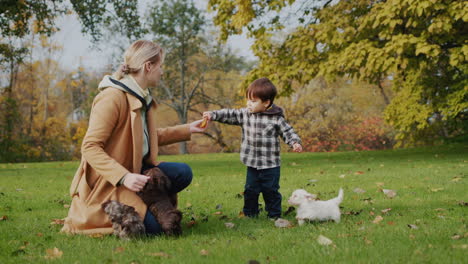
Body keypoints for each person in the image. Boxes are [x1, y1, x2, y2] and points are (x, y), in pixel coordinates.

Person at [61, 40, 207, 235]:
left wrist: (187, 129)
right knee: (154, 230)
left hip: (137, 170)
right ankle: (119, 210)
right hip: (109, 182)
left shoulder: (140, 96)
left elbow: (144, 138)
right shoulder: (112, 98)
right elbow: (90, 147)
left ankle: (154, 204)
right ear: (149, 66)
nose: (162, 71)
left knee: (182, 172)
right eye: (160, 66)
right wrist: (124, 177)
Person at [203, 77, 302, 219]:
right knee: (250, 190)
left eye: (253, 101)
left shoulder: (276, 119)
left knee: (271, 190)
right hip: (252, 163)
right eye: (248, 100)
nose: (249, 104)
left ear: (266, 102)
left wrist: (294, 142)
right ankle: (250, 214)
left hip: (270, 164)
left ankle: (274, 215)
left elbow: (288, 131)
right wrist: (213, 115)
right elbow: (230, 114)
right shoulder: (245, 114)